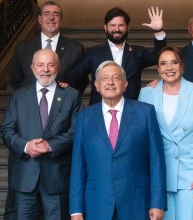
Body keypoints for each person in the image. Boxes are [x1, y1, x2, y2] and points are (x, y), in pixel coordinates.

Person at [69, 61, 167, 220]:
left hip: (136, 202)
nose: (110, 82)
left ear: (125, 83)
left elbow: (156, 161)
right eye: (105, 78)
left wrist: (157, 203)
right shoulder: (84, 118)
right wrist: (76, 210)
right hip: (97, 203)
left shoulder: (145, 112)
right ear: (97, 85)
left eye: (116, 78)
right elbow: (78, 166)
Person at [1, 49, 80, 219]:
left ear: (57, 68)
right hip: (25, 177)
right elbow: (7, 130)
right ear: (32, 68)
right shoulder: (19, 96)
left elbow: (76, 131)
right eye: (40, 65)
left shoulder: (71, 95)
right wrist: (26, 146)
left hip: (57, 177)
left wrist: (50, 145)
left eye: (50, 65)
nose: (45, 69)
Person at [139, 46, 193, 220]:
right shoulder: (147, 93)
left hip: (190, 175)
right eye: (163, 64)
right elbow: (141, 137)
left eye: (174, 62)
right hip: (157, 174)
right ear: (158, 69)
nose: (169, 68)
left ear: (182, 66)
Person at [68, 6, 166, 105]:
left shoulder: (137, 52)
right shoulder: (93, 53)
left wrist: (159, 31)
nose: (117, 29)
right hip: (99, 110)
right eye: (113, 25)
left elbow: (160, 56)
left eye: (121, 25)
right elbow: (75, 76)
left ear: (128, 27)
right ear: (105, 27)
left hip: (131, 109)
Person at [10, 0, 85, 90]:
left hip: (62, 101)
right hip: (30, 102)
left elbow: (81, 81)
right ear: (39, 19)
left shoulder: (76, 49)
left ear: (60, 19)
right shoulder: (22, 48)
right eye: (47, 14)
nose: (51, 18)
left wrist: (68, 92)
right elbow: (15, 80)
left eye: (56, 14)